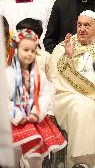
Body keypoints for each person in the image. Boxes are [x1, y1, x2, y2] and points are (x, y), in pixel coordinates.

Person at [47, 10, 95, 168]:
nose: (82, 29)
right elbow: (55, 80)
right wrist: (68, 57)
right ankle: (80, 162)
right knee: (82, 107)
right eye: (79, 25)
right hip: (68, 96)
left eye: (87, 25)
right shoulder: (63, 47)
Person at [6, 27, 67, 168]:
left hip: (34, 119)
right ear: (15, 50)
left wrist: (37, 113)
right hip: (13, 120)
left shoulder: (39, 75)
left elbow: (46, 94)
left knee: (36, 155)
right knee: (12, 154)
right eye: (25, 50)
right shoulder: (8, 74)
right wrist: (16, 115)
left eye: (33, 51)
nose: (29, 54)